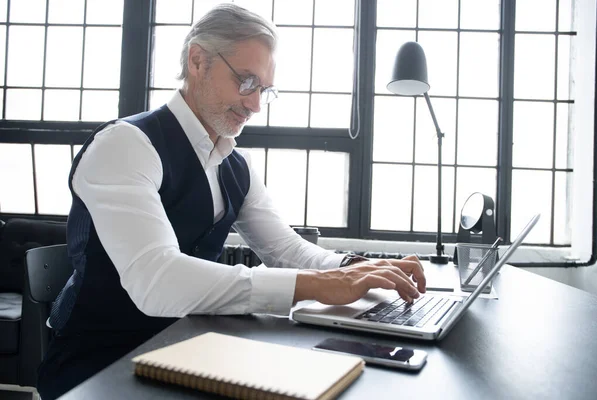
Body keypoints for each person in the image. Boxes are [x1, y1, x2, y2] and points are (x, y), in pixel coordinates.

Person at [36, 4, 426, 399]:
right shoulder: (125, 145)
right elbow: (156, 280)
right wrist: (318, 286)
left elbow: (285, 248)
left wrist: (356, 269)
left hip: (187, 351)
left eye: (264, 90)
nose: (255, 104)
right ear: (198, 61)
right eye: (246, 82)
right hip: (99, 368)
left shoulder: (234, 165)